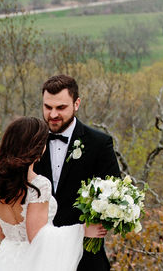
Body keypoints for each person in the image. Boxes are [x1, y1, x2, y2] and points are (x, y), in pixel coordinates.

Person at [0, 116, 106, 270]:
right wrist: (82, 230)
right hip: (35, 263)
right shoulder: (39, 185)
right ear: (37, 147)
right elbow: (38, 239)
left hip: (5, 260)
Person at [34, 74, 122, 271]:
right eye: (48, 107)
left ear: (77, 104)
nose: (53, 114)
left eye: (61, 108)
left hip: (85, 257)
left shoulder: (99, 143)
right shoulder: (31, 141)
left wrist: (99, 223)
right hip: (38, 255)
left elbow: (115, 194)